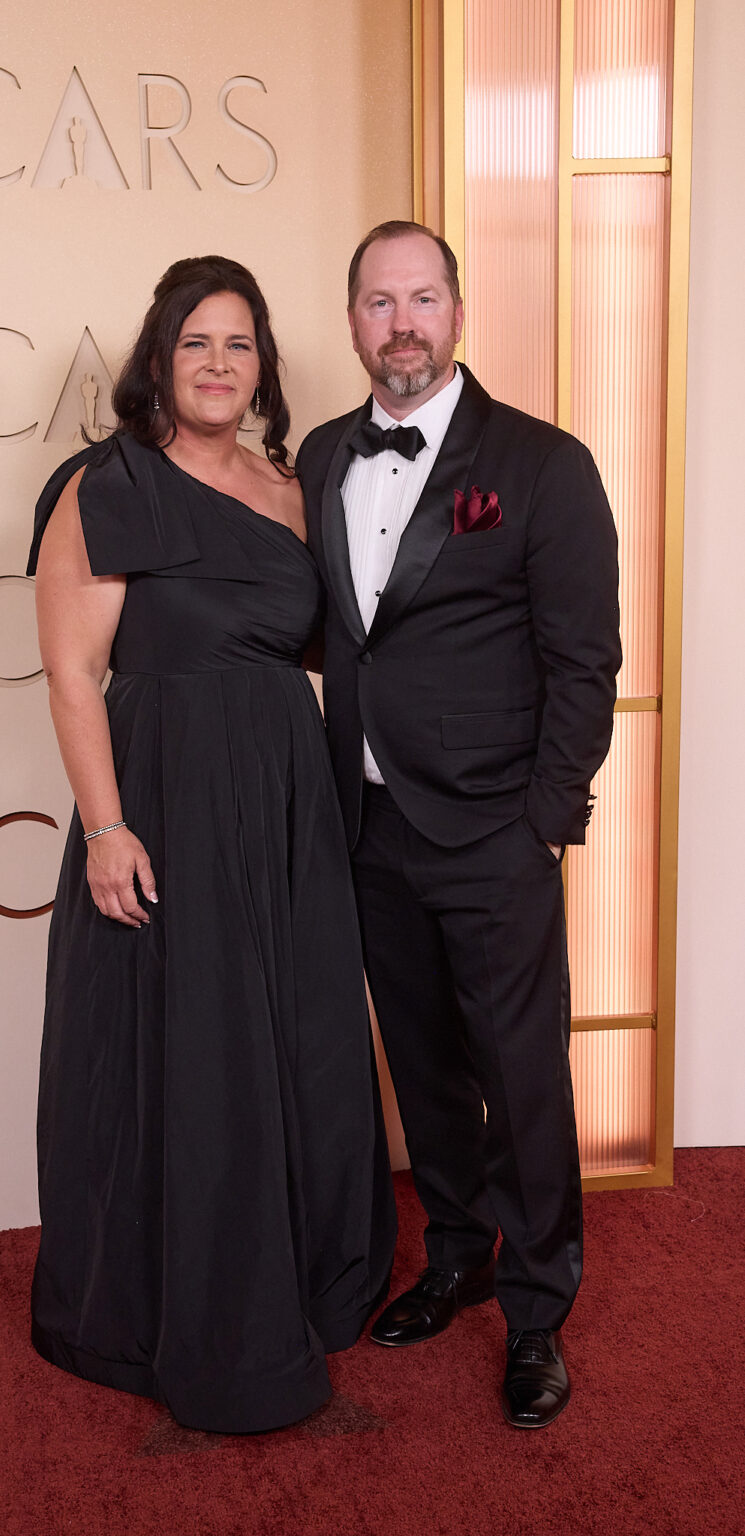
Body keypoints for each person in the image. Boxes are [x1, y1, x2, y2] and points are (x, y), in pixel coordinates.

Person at [27, 255, 396, 1435]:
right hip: (166, 801)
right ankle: (167, 1304)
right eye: (197, 344)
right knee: (186, 1047)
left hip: (285, 799)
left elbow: (324, 653)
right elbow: (75, 673)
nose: (219, 364)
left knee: (292, 1036)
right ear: (158, 360)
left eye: (238, 345)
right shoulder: (106, 483)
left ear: (263, 367)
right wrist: (105, 825)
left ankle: (296, 1270)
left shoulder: (290, 486)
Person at [295, 221, 621, 1429]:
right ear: (351, 322)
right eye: (377, 302)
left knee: (520, 1077)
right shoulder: (324, 455)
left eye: (420, 297)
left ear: (456, 312)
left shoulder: (539, 464)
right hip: (369, 825)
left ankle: (537, 1314)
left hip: (492, 834)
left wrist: (543, 819)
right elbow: (331, 633)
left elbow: (583, 659)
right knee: (422, 1067)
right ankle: (455, 1254)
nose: (401, 324)